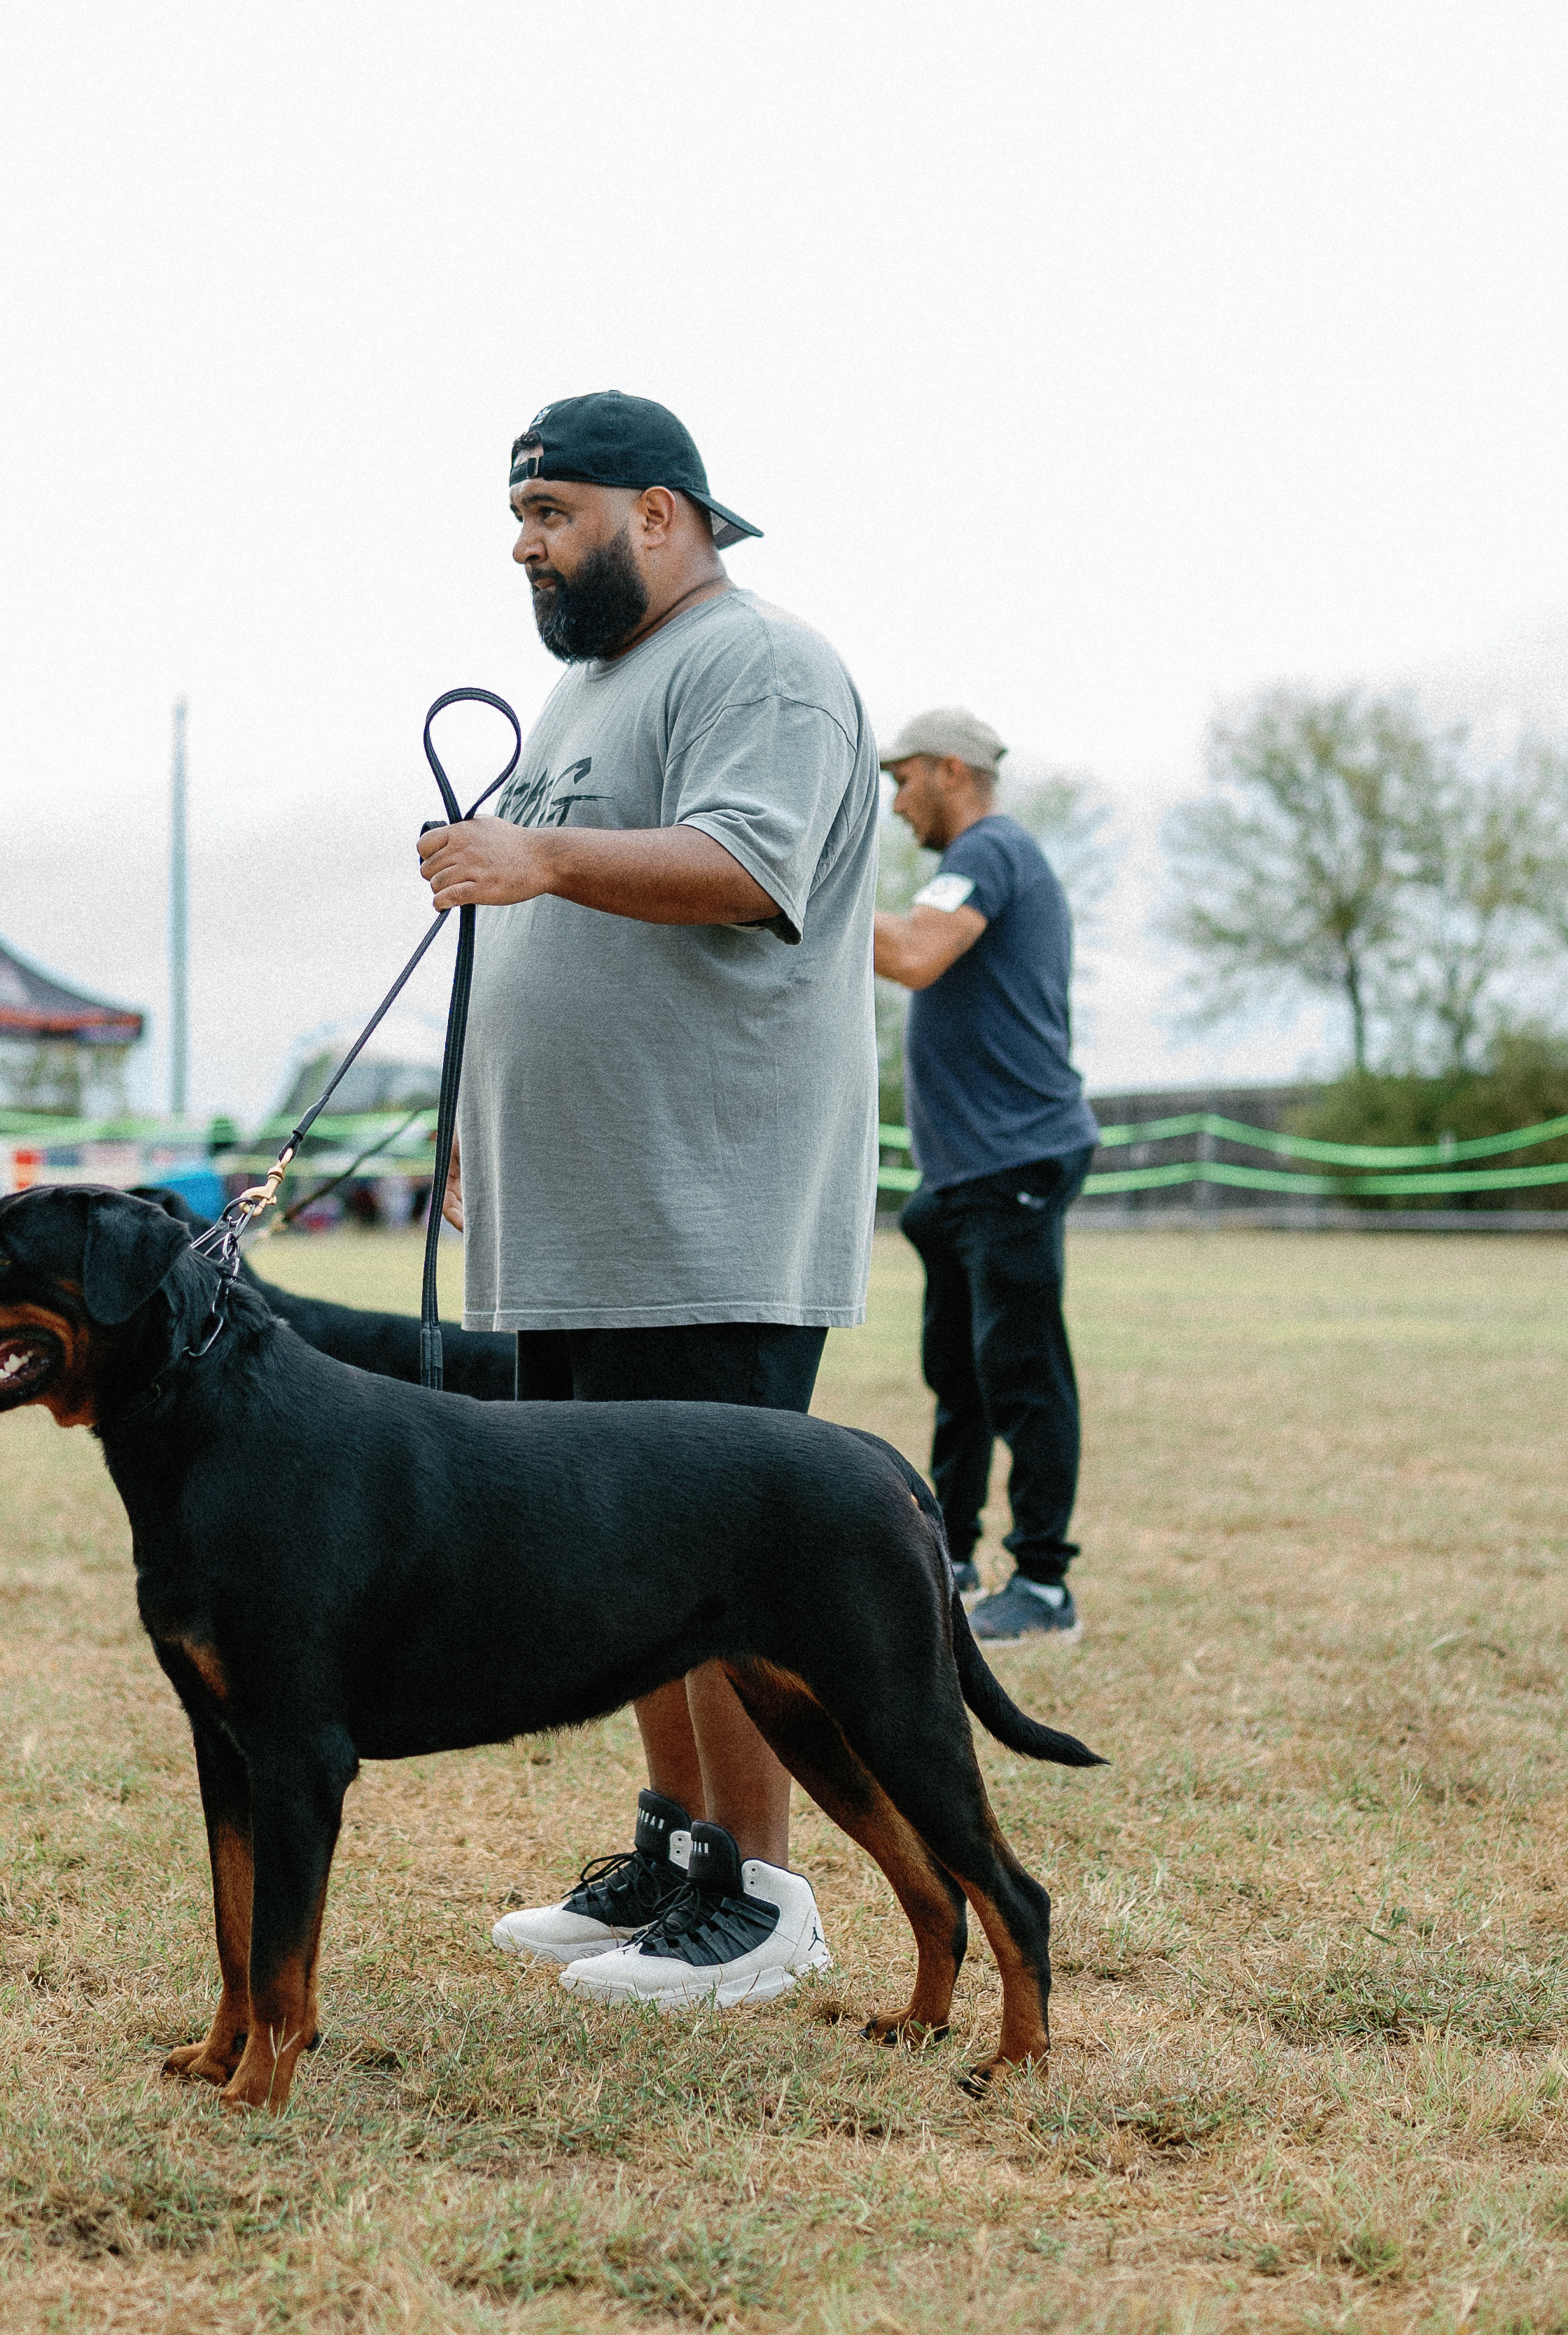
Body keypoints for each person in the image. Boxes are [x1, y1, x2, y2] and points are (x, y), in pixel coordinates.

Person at [417, 391, 881, 2009]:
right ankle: (681, 1852)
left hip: (704, 1207)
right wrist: (475, 1117)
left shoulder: (758, 662)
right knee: (625, 1568)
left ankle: (761, 1901)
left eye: (552, 513)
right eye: (518, 520)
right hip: (584, 1214)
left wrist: (538, 856)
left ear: (660, 514)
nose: (526, 548)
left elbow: (753, 869)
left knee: (719, 1567)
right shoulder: (590, 687)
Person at [872, 712, 1098, 1644]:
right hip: (964, 1175)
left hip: (1015, 1161)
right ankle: (950, 1559)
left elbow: (914, 954)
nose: (896, 805)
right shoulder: (973, 864)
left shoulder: (991, 850)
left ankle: (1043, 1587)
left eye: (902, 781)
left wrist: (791, 893)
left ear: (950, 771)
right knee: (959, 1378)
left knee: (1021, 1374)